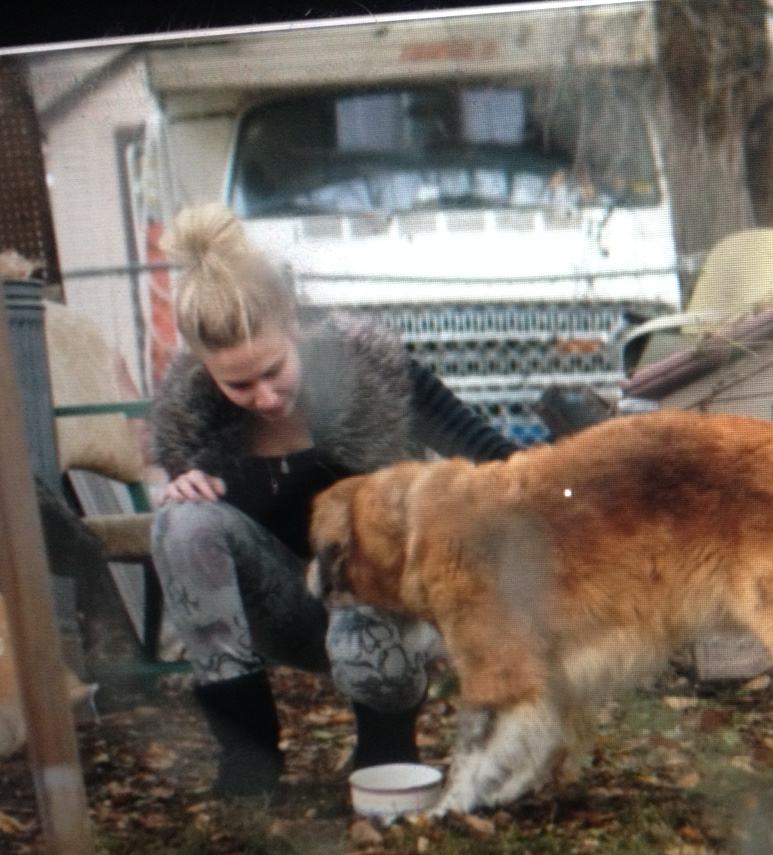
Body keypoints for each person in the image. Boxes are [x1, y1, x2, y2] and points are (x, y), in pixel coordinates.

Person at [148, 203, 518, 796]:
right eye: (238, 384)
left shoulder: (376, 375)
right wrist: (183, 485)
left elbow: (492, 454)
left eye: (274, 371)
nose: (265, 398)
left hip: (385, 604)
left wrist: (578, 484)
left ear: (292, 322)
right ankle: (249, 757)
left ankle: (386, 747)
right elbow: (206, 546)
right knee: (180, 523)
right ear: (204, 368)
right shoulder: (194, 426)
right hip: (283, 611)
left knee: (367, 537)